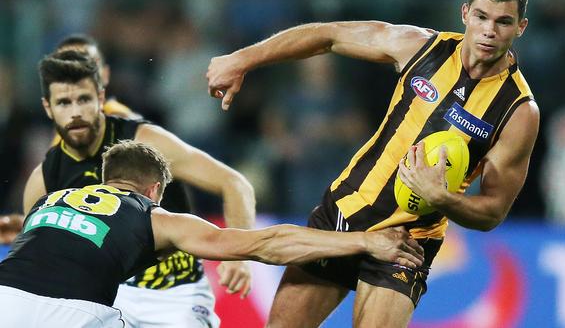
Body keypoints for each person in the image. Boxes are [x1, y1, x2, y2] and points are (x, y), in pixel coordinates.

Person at [205, 0, 540, 327]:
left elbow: (493, 212)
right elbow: (329, 36)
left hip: (408, 243)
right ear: (465, 14)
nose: (489, 31)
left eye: (503, 22)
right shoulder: (420, 47)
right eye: (481, 17)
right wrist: (242, 59)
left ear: (521, 27)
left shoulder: (518, 111)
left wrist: (441, 198)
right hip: (346, 212)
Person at [0, 140, 424, 328]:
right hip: (75, 316)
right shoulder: (153, 215)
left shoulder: (48, 202)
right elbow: (267, 245)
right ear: (155, 190)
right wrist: (365, 240)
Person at [23, 49, 255, 327]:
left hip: (174, 293)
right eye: (63, 103)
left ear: (99, 98)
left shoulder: (146, 140)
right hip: (103, 297)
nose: (75, 113)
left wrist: (238, 258)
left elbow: (234, 183)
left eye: (83, 99)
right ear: (48, 107)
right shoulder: (45, 178)